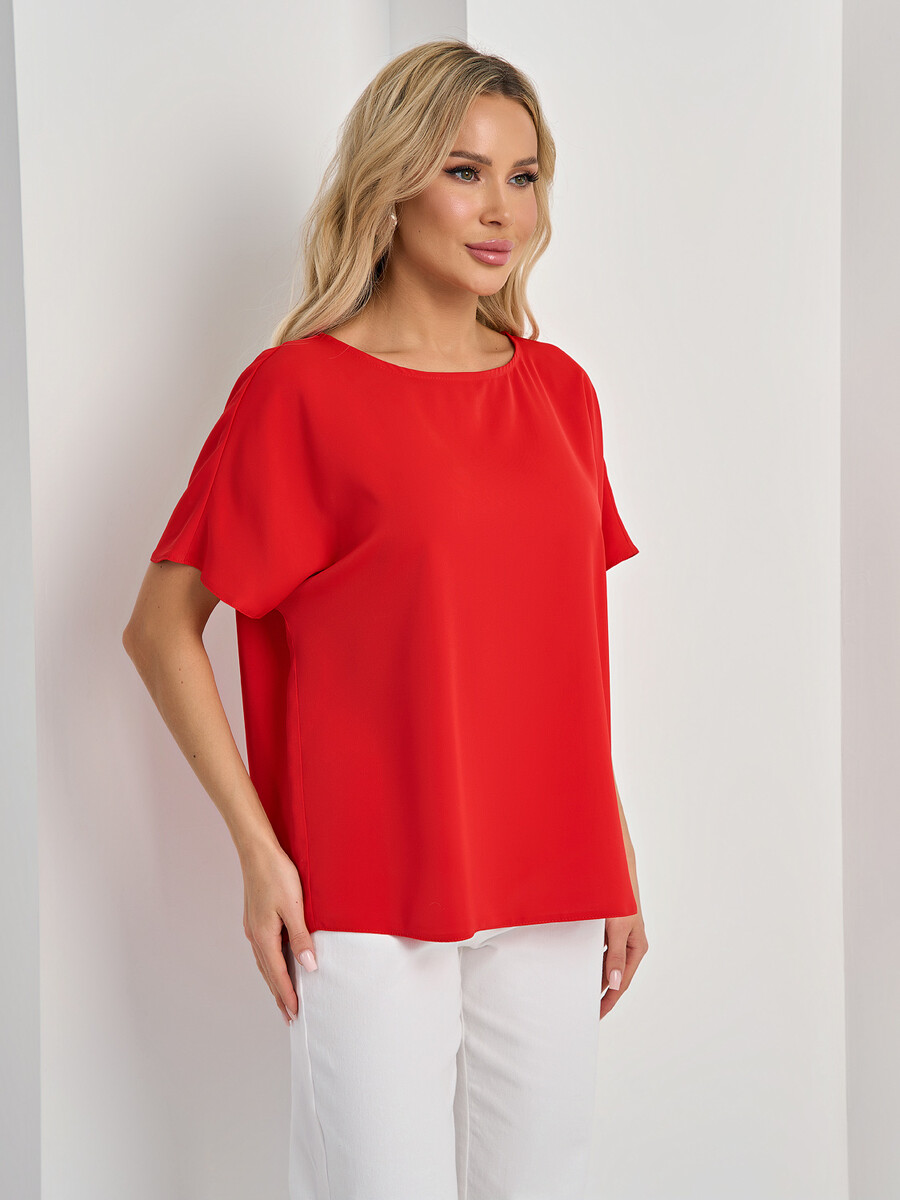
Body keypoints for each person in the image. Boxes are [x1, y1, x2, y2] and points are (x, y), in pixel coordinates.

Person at [123, 37, 648, 1200]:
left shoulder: (560, 393)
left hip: (555, 880)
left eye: (523, 176)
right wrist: (260, 855)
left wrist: (614, 855)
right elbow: (160, 627)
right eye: (465, 171)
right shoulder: (298, 393)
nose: (501, 209)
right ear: (392, 182)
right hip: (362, 890)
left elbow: (562, 655)